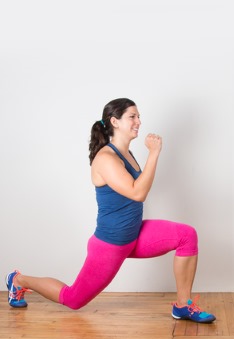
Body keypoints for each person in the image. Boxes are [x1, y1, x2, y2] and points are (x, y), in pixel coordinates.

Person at [5, 98, 215, 324]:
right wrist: (154, 153)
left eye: (138, 116)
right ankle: (18, 280)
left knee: (187, 235)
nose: (138, 121)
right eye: (132, 117)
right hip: (111, 244)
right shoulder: (106, 158)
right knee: (73, 299)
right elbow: (137, 193)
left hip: (134, 235)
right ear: (115, 121)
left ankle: (183, 306)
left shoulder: (126, 153)